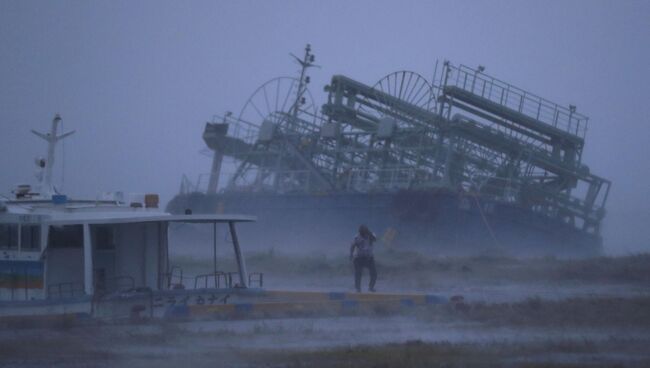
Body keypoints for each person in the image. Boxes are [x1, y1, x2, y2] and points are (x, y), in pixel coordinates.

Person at [349, 224, 377, 292]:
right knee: (358, 273)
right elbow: (352, 246)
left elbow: (375, 239)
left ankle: (371, 287)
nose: (363, 234)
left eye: (364, 233)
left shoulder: (371, 235)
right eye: (362, 233)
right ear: (360, 232)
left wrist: (370, 234)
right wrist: (351, 254)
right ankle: (358, 288)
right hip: (359, 258)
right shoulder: (357, 237)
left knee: (374, 273)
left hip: (369, 258)